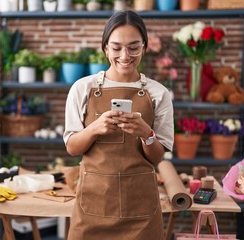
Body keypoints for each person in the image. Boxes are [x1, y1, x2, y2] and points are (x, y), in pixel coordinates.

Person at [63, 10, 174, 239]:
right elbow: (73, 148)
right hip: (93, 206)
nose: (125, 55)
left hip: (141, 211)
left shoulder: (158, 93)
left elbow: (156, 158)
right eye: (116, 48)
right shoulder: (82, 88)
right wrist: (96, 128)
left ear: (144, 47)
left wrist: (147, 134)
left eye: (133, 47)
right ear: (105, 48)